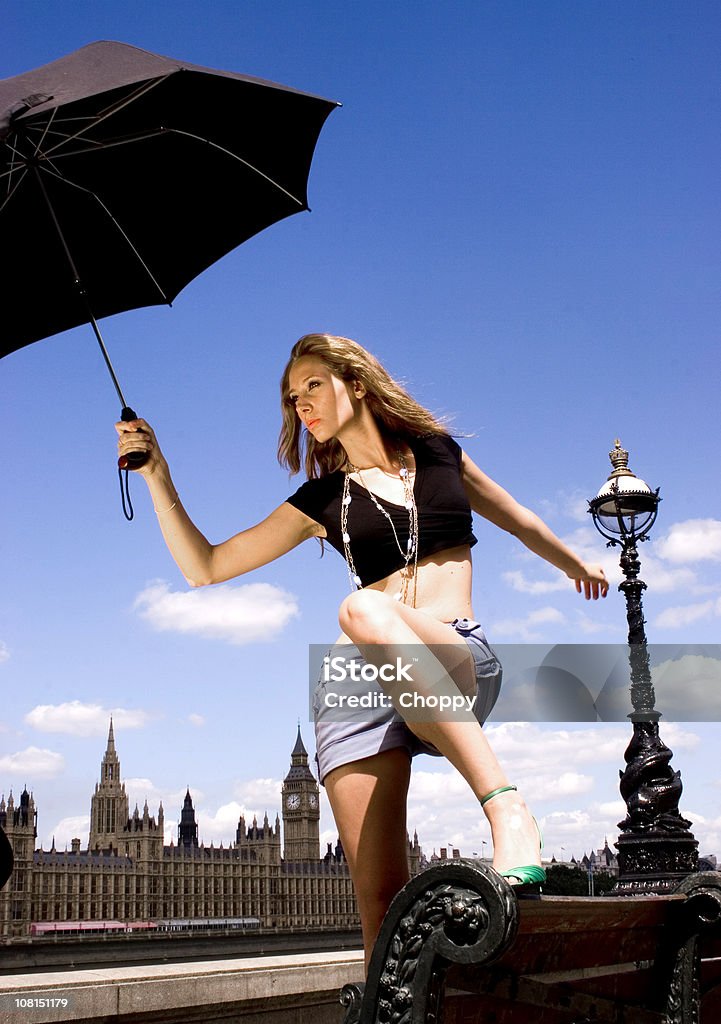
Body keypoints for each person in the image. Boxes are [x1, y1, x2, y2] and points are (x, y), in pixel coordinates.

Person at [116, 332, 608, 967]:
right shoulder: (321, 501)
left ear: (357, 382)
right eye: (293, 399)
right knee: (381, 910)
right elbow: (205, 565)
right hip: (354, 689)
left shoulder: (438, 456)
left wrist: (578, 563)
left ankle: (506, 807)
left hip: (450, 652)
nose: (303, 406)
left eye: (313, 386)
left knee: (362, 609)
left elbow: (517, 518)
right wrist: (158, 473)